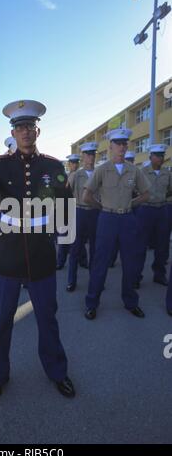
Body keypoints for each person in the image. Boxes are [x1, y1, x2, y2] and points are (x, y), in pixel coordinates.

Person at [0, 99, 75, 401]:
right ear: (13, 131)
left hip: (41, 260)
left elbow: (66, 206)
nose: (24, 131)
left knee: (48, 320)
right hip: (7, 261)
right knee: (3, 322)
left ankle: (57, 371)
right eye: (19, 127)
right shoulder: (0, 167)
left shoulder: (52, 166)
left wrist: (54, 222)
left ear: (38, 130)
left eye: (29, 126)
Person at [83, 128, 150, 320]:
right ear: (110, 146)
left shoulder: (133, 170)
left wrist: (131, 204)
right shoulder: (102, 170)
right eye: (118, 143)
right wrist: (102, 207)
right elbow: (87, 196)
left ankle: (131, 302)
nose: (122, 147)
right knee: (100, 263)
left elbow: (146, 194)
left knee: (130, 262)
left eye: (124, 143)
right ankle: (92, 303)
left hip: (128, 219)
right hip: (107, 219)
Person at [135, 144, 172, 288]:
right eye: (157, 156)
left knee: (162, 245)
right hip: (146, 210)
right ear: (150, 157)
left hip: (162, 210)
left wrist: (160, 197)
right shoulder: (141, 172)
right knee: (140, 245)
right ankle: (136, 276)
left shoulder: (167, 173)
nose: (160, 158)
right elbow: (134, 189)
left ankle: (159, 274)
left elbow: (170, 190)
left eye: (162, 156)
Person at [66, 142, 100, 292]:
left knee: (95, 249)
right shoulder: (76, 175)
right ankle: (71, 281)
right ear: (83, 157)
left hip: (95, 212)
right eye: (87, 154)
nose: (90, 157)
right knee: (75, 249)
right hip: (79, 212)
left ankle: (95, 280)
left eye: (93, 154)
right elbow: (67, 194)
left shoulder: (100, 173)